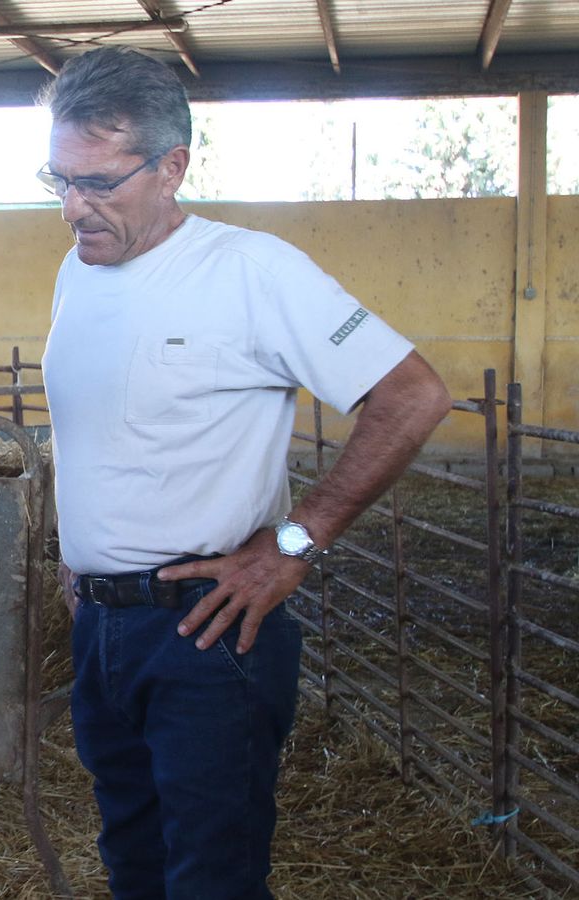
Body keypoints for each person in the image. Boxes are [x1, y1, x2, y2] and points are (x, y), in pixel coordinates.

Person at [38, 47, 453, 899]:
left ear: (173, 167)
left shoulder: (252, 271)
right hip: (102, 628)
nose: (74, 207)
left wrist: (297, 542)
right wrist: (81, 565)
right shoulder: (77, 269)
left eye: (99, 182)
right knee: (132, 858)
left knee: (213, 876)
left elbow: (412, 397)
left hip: (207, 628)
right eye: (59, 181)